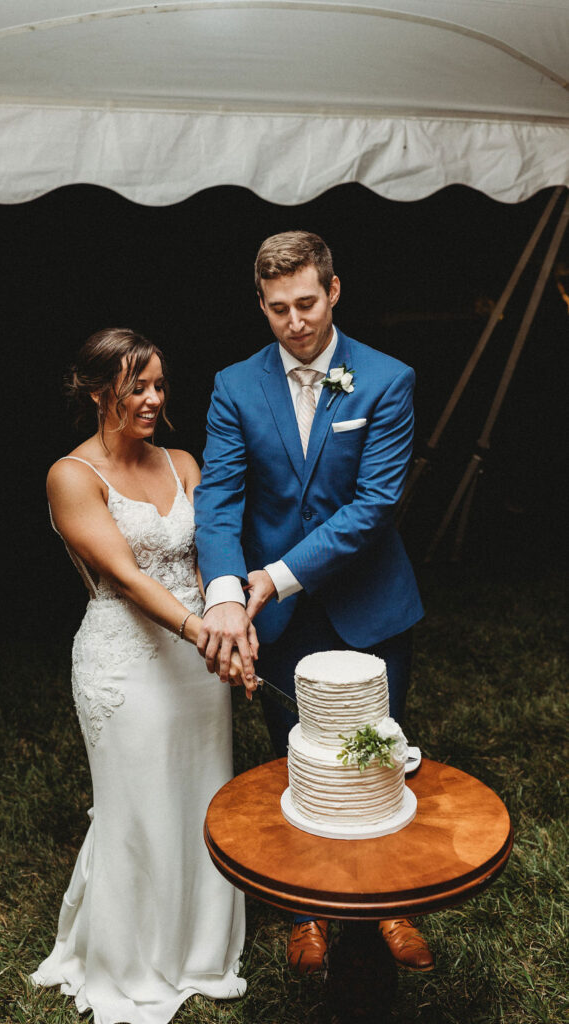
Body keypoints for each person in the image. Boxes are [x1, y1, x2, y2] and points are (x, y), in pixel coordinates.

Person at [194, 231, 434, 974]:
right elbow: (219, 498)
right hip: (277, 616)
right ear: (260, 306)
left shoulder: (387, 379)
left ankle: (390, 901)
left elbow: (374, 505)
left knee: (375, 756)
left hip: (368, 603)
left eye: (306, 303)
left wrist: (276, 575)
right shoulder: (234, 385)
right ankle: (310, 914)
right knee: (298, 757)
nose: (294, 322)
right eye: (277, 309)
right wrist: (229, 596)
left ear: (333, 291)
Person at [31, 328, 247, 1024]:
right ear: (100, 393)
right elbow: (123, 577)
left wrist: (229, 620)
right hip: (125, 662)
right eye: (137, 387)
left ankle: (200, 946)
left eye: (158, 384)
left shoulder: (183, 461)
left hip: (197, 661)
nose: (154, 399)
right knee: (139, 807)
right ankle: (131, 960)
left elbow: (210, 550)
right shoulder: (71, 475)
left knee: (199, 794)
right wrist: (201, 631)